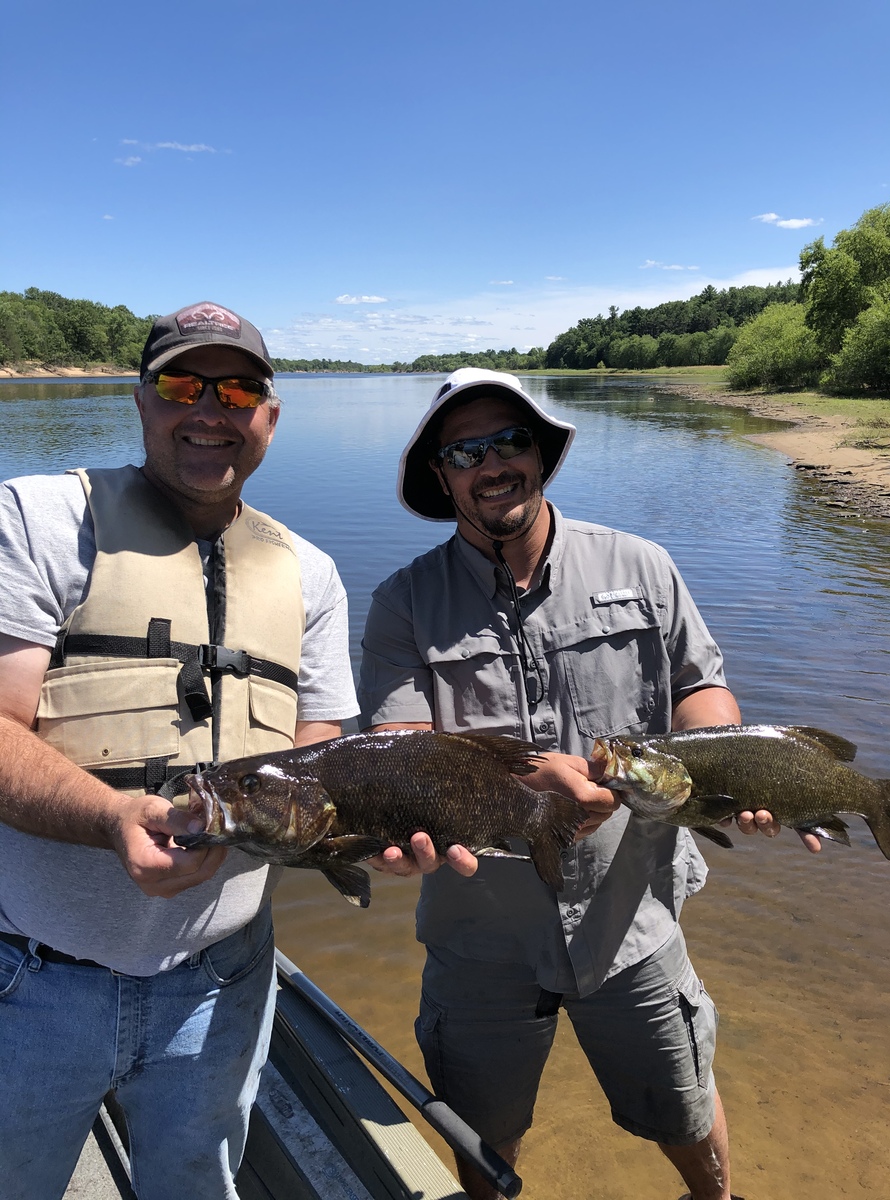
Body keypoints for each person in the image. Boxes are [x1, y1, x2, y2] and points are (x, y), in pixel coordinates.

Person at [358, 367, 820, 1200]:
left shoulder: (641, 565)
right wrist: (538, 778)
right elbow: (399, 751)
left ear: (541, 453)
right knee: (483, 1128)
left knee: (679, 1108)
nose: (493, 462)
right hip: (480, 935)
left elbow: (698, 689)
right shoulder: (403, 604)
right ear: (441, 474)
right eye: (467, 450)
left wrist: (732, 770)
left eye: (512, 440)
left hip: (632, 914)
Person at [0, 301, 359, 1200]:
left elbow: (323, 750)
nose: (209, 408)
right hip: (33, 979)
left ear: (270, 414)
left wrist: (354, 836)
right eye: (181, 384)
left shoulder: (309, 573)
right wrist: (112, 814)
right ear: (140, 399)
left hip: (223, 981)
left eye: (237, 388)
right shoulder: (40, 518)